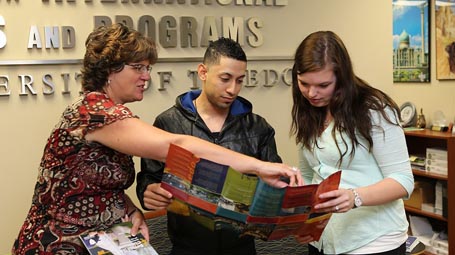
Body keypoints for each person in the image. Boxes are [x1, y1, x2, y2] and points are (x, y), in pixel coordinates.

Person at [11, 24, 302, 255]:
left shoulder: (112, 114)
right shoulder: (93, 111)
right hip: (58, 244)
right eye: (138, 68)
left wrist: (130, 209)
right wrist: (261, 167)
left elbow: (96, 186)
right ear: (110, 70)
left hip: (98, 240)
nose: (146, 77)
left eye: (148, 68)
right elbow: (180, 147)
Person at [137, 37, 283, 255]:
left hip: (242, 247)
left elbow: (275, 186)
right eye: (225, 79)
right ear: (203, 72)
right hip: (188, 247)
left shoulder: (258, 128)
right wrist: (147, 192)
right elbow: (150, 177)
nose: (233, 89)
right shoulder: (168, 123)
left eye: (240, 80)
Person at [290, 31, 414, 255]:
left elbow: (403, 181)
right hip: (323, 241)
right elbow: (310, 176)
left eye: (323, 85)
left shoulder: (374, 109)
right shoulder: (309, 111)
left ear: (342, 76)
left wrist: (355, 197)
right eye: (304, 83)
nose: (311, 93)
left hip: (372, 242)